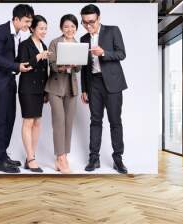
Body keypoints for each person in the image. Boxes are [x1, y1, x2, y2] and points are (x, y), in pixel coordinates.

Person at [0, 4, 34, 173]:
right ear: (16, 19)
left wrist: (26, 62)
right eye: (26, 21)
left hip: (10, 81)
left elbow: (15, 58)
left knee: (10, 119)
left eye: (30, 21)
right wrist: (17, 66)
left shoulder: (18, 34)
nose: (28, 25)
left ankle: (3, 155)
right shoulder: (0, 31)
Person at [80, 4, 128, 174]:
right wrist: (83, 89)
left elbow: (121, 54)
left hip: (113, 83)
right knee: (95, 121)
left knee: (115, 121)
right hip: (93, 83)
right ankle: (94, 158)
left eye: (91, 21)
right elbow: (84, 67)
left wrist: (103, 53)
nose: (88, 25)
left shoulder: (112, 30)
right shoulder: (84, 39)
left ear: (99, 18)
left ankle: (118, 158)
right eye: (84, 22)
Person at [44, 14, 81, 174]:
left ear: (76, 28)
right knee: (58, 121)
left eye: (72, 26)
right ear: (61, 28)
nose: (69, 29)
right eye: (66, 26)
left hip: (71, 88)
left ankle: (64, 155)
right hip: (55, 87)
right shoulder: (54, 43)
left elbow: (79, 68)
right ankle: (60, 158)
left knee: (68, 122)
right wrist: (63, 65)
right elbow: (51, 65)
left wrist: (75, 65)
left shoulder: (78, 44)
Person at [17, 15, 51, 173]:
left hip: (39, 90)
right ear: (32, 28)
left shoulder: (43, 44)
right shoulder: (24, 45)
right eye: (41, 28)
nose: (44, 31)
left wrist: (46, 91)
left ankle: (31, 156)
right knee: (28, 122)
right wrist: (38, 56)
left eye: (45, 28)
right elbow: (24, 65)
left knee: (37, 123)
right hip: (27, 89)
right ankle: (31, 159)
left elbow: (45, 72)